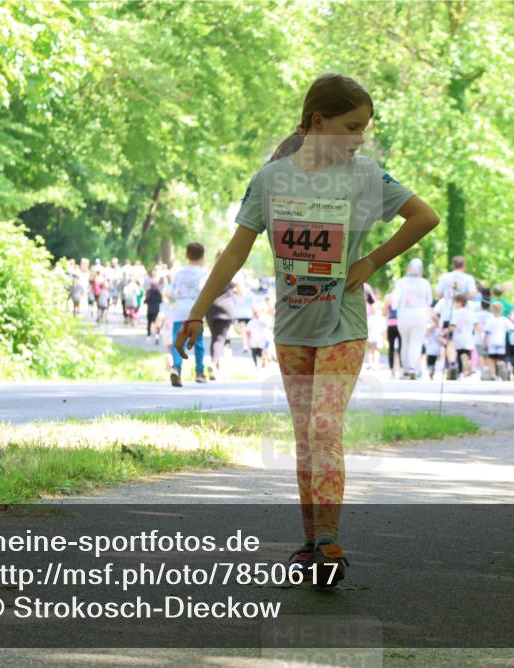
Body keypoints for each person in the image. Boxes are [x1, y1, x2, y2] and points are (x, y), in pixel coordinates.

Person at [174, 72, 439, 586]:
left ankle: (332, 540)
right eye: (352, 126)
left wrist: (370, 263)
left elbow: (422, 217)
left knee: (324, 429)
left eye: (365, 128)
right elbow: (235, 251)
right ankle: (313, 541)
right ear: (319, 122)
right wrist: (196, 310)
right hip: (292, 327)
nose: (361, 137)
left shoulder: (366, 176)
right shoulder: (272, 180)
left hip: (344, 324)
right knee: (303, 438)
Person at [167, 242, 209, 387]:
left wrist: (178, 297)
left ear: (186, 255)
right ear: (203, 257)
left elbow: (170, 292)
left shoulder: (179, 273)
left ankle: (176, 369)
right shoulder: (203, 273)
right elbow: (205, 292)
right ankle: (199, 372)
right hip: (195, 312)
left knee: (178, 340)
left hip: (180, 310)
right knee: (198, 343)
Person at [390, 258, 433, 379]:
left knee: (405, 342)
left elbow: (394, 300)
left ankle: (405, 370)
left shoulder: (401, 282)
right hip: (420, 315)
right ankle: (413, 368)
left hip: (404, 315)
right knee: (416, 342)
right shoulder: (425, 283)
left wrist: (395, 308)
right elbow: (429, 301)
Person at [206, 250, 237, 381]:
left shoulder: (210, 271)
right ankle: (214, 363)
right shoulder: (233, 271)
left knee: (215, 337)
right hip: (226, 308)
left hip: (211, 309)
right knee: (220, 338)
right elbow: (241, 290)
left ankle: (215, 364)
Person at [435, 255, 478, 329]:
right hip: (462, 314)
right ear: (464, 265)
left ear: (453, 265)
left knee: (445, 337)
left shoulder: (444, 277)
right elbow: (473, 294)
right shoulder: (469, 278)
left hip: (447, 312)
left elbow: (438, 294)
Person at [447, 293, 479, 379]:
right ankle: (467, 364)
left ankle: (461, 372)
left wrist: (446, 330)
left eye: (455, 302)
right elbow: (477, 325)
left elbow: (453, 326)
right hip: (469, 336)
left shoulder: (456, 313)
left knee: (459, 354)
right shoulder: (471, 313)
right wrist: (480, 335)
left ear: (460, 303)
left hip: (458, 336)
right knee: (467, 353)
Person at [483, 301, 514, 380]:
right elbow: (513, 328)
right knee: (500, 358)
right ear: (502, 310)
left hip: (492, 343)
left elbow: (486, 332)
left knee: (491, 359)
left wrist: (484, 342)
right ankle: (501, 366)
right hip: (501, 343)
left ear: (492, 310)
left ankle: (494, 375)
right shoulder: (504, 320)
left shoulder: (490, 320)